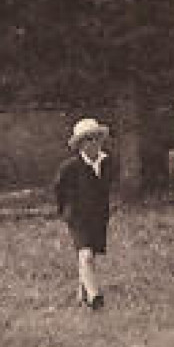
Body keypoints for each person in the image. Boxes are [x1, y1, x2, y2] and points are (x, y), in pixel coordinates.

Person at [55, 117, 117, 310]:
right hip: (77, 216)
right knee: (86, 254)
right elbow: (58, 191)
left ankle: (82, 294)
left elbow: (107, 188)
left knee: (89, 256)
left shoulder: (108, 163)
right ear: (80, 144)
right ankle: (95, 297)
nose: (94, 144)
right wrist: (66, 212)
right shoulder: (69, 168)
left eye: (97, 138)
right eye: (88, 140)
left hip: (98, 216)